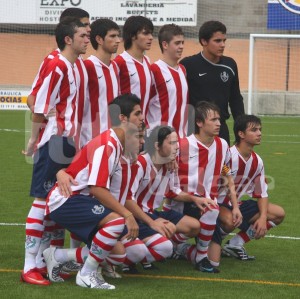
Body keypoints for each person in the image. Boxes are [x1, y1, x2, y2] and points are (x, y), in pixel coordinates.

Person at [43, 94, 142, 290]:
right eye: (137, 114)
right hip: (65, 199)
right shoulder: (108, 144)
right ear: (122, 118)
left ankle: (58, 256)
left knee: (117, 253)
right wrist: (127, 214)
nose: (142, 118)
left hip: (78, 199)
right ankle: (86, 273)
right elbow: (97, 188)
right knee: (116, 221)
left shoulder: (114, 143)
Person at [20, 17, 89, 286]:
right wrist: (34, 140)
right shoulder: (57, 65)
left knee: (58, 197)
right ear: (68, 39)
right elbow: (38, 106)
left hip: (66, 141)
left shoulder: (72, 65)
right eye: (84, 34)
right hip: (55, 140)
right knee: (41, 200)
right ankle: (29, 267)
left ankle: (43, 260)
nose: (88, 39)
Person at [164, 101, 242, 273]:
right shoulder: (181, 146)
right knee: (212, 209)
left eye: (219, 119)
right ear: (199, 123)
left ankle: (182, 249)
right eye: (213, 119)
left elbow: (227, 173)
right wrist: (167, 157)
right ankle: (196, 255)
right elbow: (167, 188)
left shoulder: (222, 145)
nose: (218, 123)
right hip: (181, 205)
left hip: (207, 207)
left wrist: (235, 206)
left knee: (215, 262)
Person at [129, 125, 217, 270]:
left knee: (194, 226)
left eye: (177, 143)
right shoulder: (141, 164)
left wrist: (196, 199)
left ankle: (163, 247)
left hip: (152, 212)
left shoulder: (168, 163)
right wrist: (152, 221)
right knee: (165, 248)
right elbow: (127, 199)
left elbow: (173, 191)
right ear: (157, 146)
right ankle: (129, 258)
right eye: (172, 143)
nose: (177, 147)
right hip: (136, 215)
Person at [208, 114, 285, 264]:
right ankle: (204, 244)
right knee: (230, 220)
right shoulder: (228, 155)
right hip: (215, 204)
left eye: (260, 129)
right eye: (254, 130)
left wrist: (263, 218)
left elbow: (262, 193)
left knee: (278, 213)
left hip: (235, 206)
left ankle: (235, 244)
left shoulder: (257, 161)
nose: (259, 133)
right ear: (241, 134)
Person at [180, 20, 244, 144]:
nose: (222, 45)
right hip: (195, 130)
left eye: (224, 41)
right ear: (204, 41)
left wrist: (241, 128)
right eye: (217, 41)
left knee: (223, 164)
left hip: (220, 129)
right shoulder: (188, 65)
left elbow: (235, 99)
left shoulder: (230, 64)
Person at [80, 19, 121, 148]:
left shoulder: (115, 67)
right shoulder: (87, 66)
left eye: (118, 36)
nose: (118, 40)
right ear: (99, 39)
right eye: (113, 36)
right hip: (91, 140)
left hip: (112, 140)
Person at [148, 24, 188, 138]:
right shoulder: (154, 70)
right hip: (159, 139)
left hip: (181, 137)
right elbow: (144, 104)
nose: (181, 46)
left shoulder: (182, 70)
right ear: (165, 44)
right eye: (177, 43)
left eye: (182, 43)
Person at [114, 16, 154, 126]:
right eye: (145, 33)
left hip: (142, 126)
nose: (150, 37)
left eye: (151, 33)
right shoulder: (120, 62)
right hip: (126, 127)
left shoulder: (147, 61)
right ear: (132, 36)